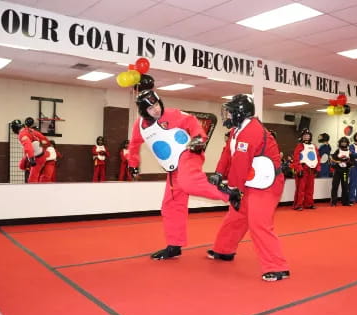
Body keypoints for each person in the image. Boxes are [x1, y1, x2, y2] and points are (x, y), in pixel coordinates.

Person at [127, 90, 241, 260]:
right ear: (144, 112)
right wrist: (133, 164)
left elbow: (191, 121)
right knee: (170, 205)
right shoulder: (139, 127)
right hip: (173, 167)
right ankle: (174, 246)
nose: (157, 110)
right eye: (151, 109)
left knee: (189, 183)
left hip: (188, 154)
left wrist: (198, 137)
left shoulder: (171, 114)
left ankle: (229, 194)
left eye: (157, 105)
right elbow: (134, 146)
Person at [207, 94, 289, 282]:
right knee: (236, 216)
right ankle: (224, 250)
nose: (227, 116)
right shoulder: (237, 130)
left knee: (259, 223)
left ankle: (277, 267)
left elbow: (241, 163)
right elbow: (228, 152)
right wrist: (219, 173)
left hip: (267, 183)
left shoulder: (251, 131)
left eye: (230, 112)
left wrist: (234, 188)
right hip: (251, 180)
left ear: (240, 113)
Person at [292, 129, 320, 210]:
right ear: (302, 137)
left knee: (310, 188)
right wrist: (299, 169)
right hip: (303, 169)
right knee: (301, 188)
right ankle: (298, 205)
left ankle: (309, 203)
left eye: (308, 135)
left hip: (311, 169)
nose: (306, 137)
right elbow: (296, 158)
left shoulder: (314, 146)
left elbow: (317, 157)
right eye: (305, 135)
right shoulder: (299, 146)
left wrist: (317, 168)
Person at [331, 137, 352, 206]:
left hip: (345, 171)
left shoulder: (349, 151)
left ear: (347, 143)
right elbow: (332, 159)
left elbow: (352, 162)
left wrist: (348, 162)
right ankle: (333, 202)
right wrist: (339, 161)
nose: (343, 143)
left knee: (345, 186)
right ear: (340, 143)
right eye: (342, 142)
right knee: (335, 186)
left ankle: (345, 202)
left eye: (345, 142)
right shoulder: (337, 150)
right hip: (337, 171)